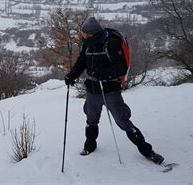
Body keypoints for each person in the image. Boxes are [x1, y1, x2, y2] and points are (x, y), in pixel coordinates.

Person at [64, 17, 164, 164]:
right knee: (91, 119)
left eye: (84, 34)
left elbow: (121, 67)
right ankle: (90, 146)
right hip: (93, 90)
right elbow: (82, 62)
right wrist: (71, 76)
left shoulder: (111, 43)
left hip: (110, 91)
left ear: (92, 34)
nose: (82, 36)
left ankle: (147, 151)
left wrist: (102, 74)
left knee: (123, 121)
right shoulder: (88, 45)